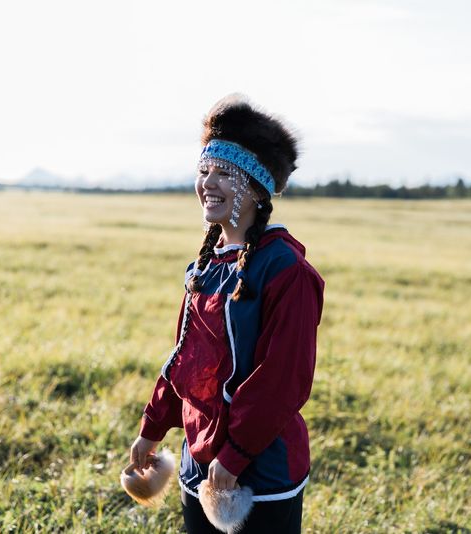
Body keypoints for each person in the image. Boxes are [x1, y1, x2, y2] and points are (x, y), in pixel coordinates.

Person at [129, 94, 325, 533]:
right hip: (198, 465)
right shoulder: (204, 266)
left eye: (224, 173)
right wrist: (154, 425)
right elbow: (186, 358)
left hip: (261, 471)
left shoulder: (286, 270)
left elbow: (282, 379)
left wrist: (234, 456)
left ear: (256, 187)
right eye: (204, 171)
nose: (207, 183)